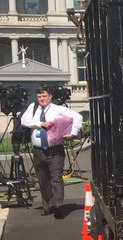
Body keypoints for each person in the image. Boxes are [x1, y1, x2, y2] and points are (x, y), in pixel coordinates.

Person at [20, 85, 82, 218]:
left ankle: (59, 206)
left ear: (50, 96)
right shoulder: (33, 107)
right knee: (43, 180)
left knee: (56, 179)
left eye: (44, 96)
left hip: (55, 150)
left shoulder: (57, 109)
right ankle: (48, 205)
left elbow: (77, 117)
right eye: (39, 96)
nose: (41, 99)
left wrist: (73, 133)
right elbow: (24, 121)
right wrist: (40, 123)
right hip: (38, 151)